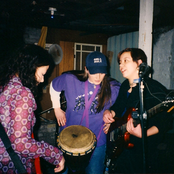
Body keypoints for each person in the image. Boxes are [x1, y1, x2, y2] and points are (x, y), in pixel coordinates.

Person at [103, 48, 173, 173]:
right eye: (120, 62)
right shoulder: (125, 85)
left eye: (126, 60)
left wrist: (144, 133)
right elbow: (118, 107)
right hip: (123, 146)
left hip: (142, 150)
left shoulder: (152, 88)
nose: (121, 65)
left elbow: (166, 120)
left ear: (139, 63)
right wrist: (109, 113)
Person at [49, 51, 121, 174]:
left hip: (97, 141)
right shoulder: (70, 80)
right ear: (86, 69)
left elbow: (121, 106)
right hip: (68, 138)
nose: (98, 76)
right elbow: (54, 86)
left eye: (102, 72)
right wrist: (56, 108)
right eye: (94, 72)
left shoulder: (113, 88)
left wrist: (111, 116)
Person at [0, 44, 65, 174]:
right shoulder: (23, 94)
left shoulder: (4, 85)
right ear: (30, 68)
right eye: (41, 74)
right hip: (11, 164)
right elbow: (21, 144)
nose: (42, 80)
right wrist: (55, 154)